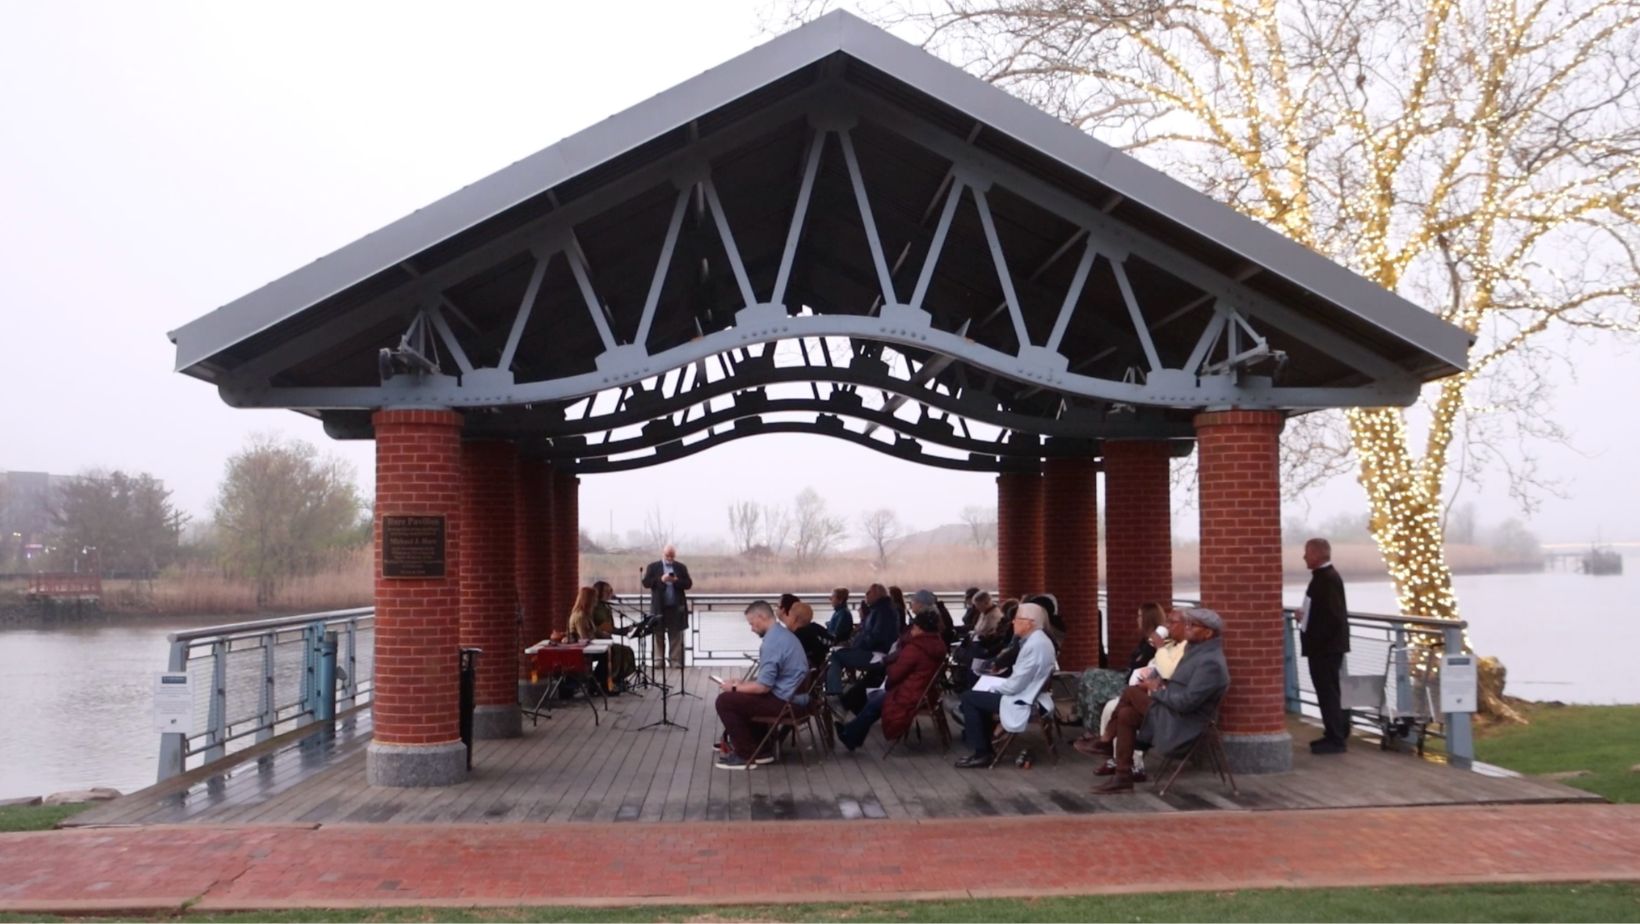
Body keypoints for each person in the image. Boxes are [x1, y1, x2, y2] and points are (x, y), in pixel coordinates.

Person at [1094, 608, 1230, 795]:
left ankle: (1105, 741)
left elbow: (1187, 703)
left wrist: (1156, 689)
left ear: (1208, 633)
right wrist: (1160, 684)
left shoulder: (1211, 663)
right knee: (1126, 714)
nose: (1188, 628)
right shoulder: (1195, 652)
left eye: (1193, 625)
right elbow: (1179, 687)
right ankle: (1122, 776)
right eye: (1188, 624)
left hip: (1182, 723)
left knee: (1132, 692)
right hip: (1170, 712)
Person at [954, 602, 1058, 768]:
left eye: (1017, 619)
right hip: (1026, 693)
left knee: (969, 698)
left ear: (1029, 622)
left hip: (1023, 698)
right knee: (976, 696)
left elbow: (1015, 686)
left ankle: (982, 752)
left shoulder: (1034, 645)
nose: (1012, 622)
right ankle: (985, 746)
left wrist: (993, 687)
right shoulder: (1036, 640)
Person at [713, 600, 810, 770]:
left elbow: (763, 687)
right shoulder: (782, 635)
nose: (751, 628)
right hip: (795, 698)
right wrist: (743, 684)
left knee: (725, 701)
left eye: (752, 623)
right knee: (744, 696)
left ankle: (746, 754)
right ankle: (763, 750)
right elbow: (768, 681)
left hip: (787, 703)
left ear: (761, 617)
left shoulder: (772, 643)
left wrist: (734, 687)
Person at [837, 606, 948, 750]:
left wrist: (888, 668)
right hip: (925, 692)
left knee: (875, 701)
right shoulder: (937, 644)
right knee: (875, 701)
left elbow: (895, 674)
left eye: (914, 627)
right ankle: (851, 734)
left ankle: (851, 736)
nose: (912, 630)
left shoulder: (915, 648)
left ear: (920, 629)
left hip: (911, 693)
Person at [1301, 537, 1352, 754]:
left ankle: (1336, 738)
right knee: (1329, 690)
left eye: (1307, 552)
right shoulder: (1325, 578)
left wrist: (1310, 625)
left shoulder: (1327, 579)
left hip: (1325, 648)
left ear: (1317, 554)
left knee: (1327, 691)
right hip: (1327, 646)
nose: (1304, 556)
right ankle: (1335, 731)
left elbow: (1332, 616)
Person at [826, 583, 897, 695]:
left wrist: (856, 646)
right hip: (873, 650)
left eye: (868, 592)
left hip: (875, 654)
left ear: (877, 594)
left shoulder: (882, 612)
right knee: (836, 653)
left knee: (835, 655)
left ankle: (834, 693)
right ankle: (836, 691)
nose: (865, 595)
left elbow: (876, 637)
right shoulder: (881, 610)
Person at [641, 543, 692, 670]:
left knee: (675, 635)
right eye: (667, 555)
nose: (670, 558)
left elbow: (688, 584)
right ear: (662, 554)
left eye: (672, 556)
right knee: (658, 634)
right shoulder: (653, 567)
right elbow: (646, 583)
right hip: (659, 607)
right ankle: (659, 661)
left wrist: (676, 581)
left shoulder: (680, 567)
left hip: (675, 606)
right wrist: (661, 580)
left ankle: (675, 661)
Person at [780, 600, 834, 669]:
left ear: (794, 619)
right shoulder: (815, 628)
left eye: (788, 615)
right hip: (818, 665)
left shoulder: (798, 636)